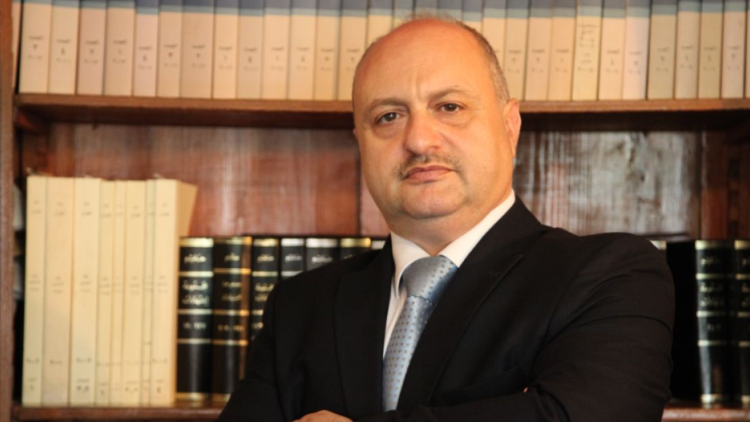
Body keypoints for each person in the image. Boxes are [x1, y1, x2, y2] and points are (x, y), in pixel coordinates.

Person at [217, 16, 674, 422]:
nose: (419, 140)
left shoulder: (610, 275)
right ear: (360, 142)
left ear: (510, 126)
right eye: (388, 116)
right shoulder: (300, 306)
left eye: (449, 107)